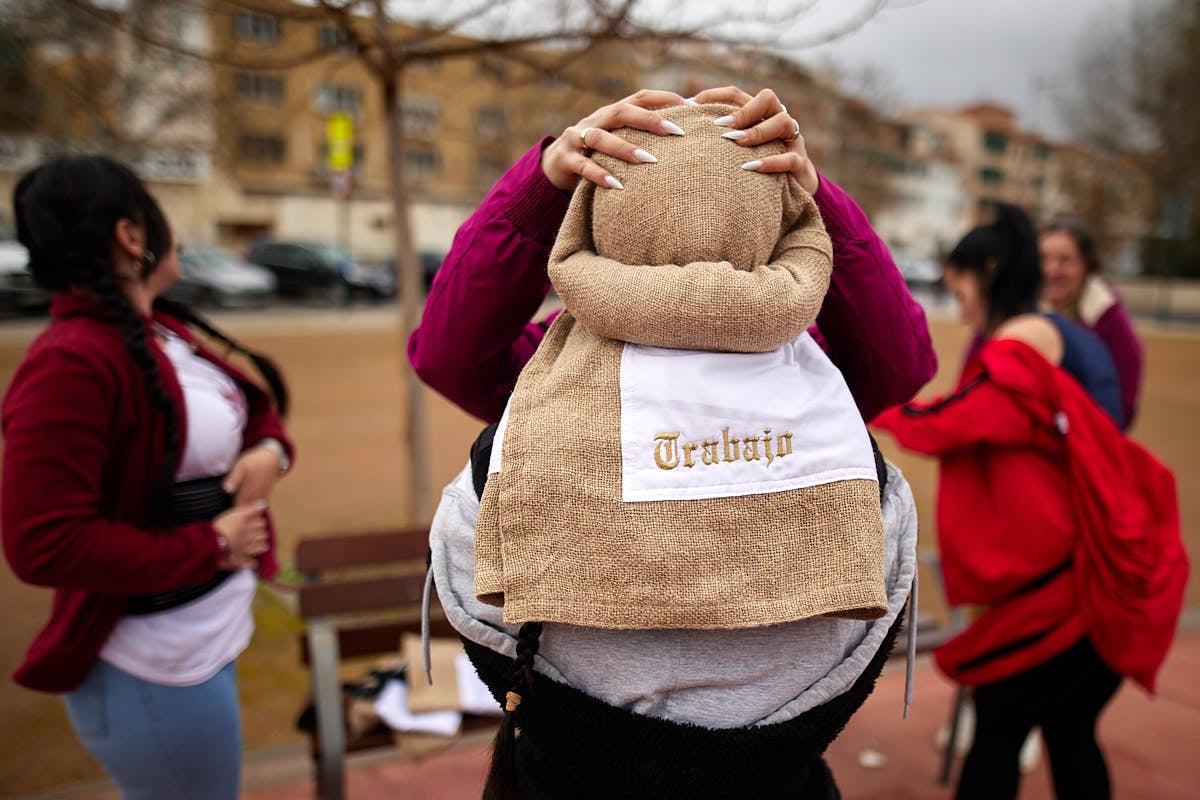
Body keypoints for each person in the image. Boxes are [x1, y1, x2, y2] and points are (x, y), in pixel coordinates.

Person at [414, 87, 936, 798]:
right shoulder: (570, 374)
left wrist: (538, 191)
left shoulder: (788, 363)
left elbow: (447, 354)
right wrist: (813, 204)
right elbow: (898, 365)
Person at [2, 155, 295, 800]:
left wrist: (270, 453)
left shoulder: (163, 331)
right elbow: (42, 542)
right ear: (132, 237)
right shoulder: (70, 363)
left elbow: (258, 411)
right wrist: (211, 546)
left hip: (205, 640)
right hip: (151, 667)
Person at [874, 204, 1186, 800]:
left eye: (957, 283)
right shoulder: (1032, 335)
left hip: (1068, 588)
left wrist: (872, 405)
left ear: (986, 271)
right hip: (1079, 568)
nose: (955, 299)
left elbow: (960, 419)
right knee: (1061, 733)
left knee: (1003, 730)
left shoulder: (1021, 344)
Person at [1040, 218, 1143, 428]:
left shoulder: (1109, 320)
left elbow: (1122, 409)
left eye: (1065, 260)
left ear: (1086, 266)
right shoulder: (1015, 309)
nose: (1052, 270)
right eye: (1043, 259)